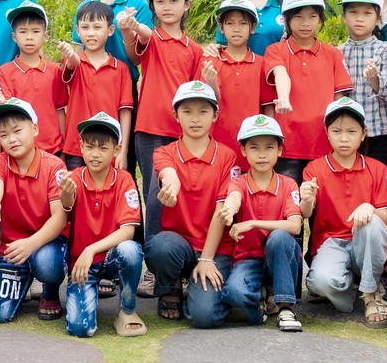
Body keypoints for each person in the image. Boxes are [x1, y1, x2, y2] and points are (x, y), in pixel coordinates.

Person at [142, 81, 239, 323]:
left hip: (215, 249)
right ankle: (172, 285)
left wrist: (206, 259)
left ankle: (213, 291)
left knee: (204, 316)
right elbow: (168, 173)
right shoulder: (164, 152)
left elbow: (221, 210)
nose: (195, 119)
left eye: (203, 111)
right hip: (179, 246)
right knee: (159, 247)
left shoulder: (227, 156)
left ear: (215, 115)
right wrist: (171, 186)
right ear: (176, 115)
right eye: (187, 111)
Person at [122, 0, 205, 238]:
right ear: (152, 7)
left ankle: (177, 252)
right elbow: (143, 41)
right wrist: (132, 26)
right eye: (160, 1)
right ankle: (154, 258)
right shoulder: (151, 38)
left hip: (182, 130)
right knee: (154, 192)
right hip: (148, 128)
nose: (167, 6)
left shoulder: (194, 49)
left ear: (187, 5)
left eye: (173, 0)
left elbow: (197, 91)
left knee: (181, 190)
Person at [301, 96, 387, 325]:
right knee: (320, 283)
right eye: (337, 131)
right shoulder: (315, 169)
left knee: (371, 224)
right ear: (327, 132)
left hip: (364, 242)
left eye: (352, 131)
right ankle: (349, 290)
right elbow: (304, 214)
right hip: (332, 243)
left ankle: (371, 293)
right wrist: (306, 199)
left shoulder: (377, 169)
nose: (344, 138)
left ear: (363, 134)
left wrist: (369, 207)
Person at [210, 115, 306, 331]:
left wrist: (253, 223)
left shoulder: (289, 184)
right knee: (234, 293)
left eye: (269, 147)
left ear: (280, 150)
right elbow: (234, 198)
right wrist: (229, 210)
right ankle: (261, 299)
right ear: (243, 150)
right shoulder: (239, 182)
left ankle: (284, 307)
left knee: (280, 237)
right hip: (248, 258)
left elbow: (295, 226)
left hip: (281, 259)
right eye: (254, 147)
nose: (262, 154)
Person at [0, 97, 70, 323]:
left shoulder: (53, 165)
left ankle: (49, 290)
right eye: (4, 134)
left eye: (17, 131)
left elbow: (60, 217)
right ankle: (24, 277)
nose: (11, 139)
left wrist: (31, 244)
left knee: (47, 264)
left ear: (35, 129)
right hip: (13, 248)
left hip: (47, 242)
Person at [56, 113, 146, 337]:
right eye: (89, 147)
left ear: (116, 150)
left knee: (131, 250)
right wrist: (65, 194)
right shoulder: (75, 177)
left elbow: (128, 231)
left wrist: (92, 248)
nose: (95, 154)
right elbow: (65, 209)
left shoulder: (124, 179)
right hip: (82, 266)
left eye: (103, 148)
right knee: (80, 328)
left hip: (109, 256)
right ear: (81, 147)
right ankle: (89, 294)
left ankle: (127, 309)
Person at [263, 0, 351, 181]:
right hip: (287, 144)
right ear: (286, 19)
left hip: (324, 143)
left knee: (320, 205)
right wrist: (284, 99)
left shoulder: (333, 54)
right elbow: (280, 73)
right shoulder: (276, 50)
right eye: (298, 17)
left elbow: (339, 101)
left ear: (320, 19)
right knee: (289, 205)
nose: (306, 23)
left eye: (312, 16)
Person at [336, 0, 387, 171]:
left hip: (380, 133)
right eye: (353, 12)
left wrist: (375, 80)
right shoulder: (338, 53)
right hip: (347, 134)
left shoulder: (386, 49)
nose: (360, 19)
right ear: (343, 17)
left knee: (381, 180)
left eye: (367, 13)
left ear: (378, 18)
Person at [0, 2, 68, 159]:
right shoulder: (5, 72)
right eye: (23, 31)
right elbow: (8, 115)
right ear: (14, 37)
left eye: (36, 31)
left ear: (45, 36)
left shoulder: (55, 70)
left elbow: (60, 110)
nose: (29, 37)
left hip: (53, 149)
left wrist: (63, 146)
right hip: (20, 151)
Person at [61, 1, 135, 149]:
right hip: (76, 146)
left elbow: (125, 111)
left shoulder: (121, 69)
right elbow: (72, 63)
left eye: (97, 27)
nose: (90, 33)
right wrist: (70, 54)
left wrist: (123, 150)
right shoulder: (73, 62)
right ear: (77, 30)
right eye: (85, 27)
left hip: (109, 147)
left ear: (110, 30)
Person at [205, 0, 272, 154]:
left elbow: (268, 105)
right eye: (230, 23)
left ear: (253, 27)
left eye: (242, 23)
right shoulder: (210, 61)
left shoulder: (261, 64)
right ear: (221, 28)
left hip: (252, 145)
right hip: (216, 145)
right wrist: (210, 82)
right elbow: (207, 102)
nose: (236, 29)